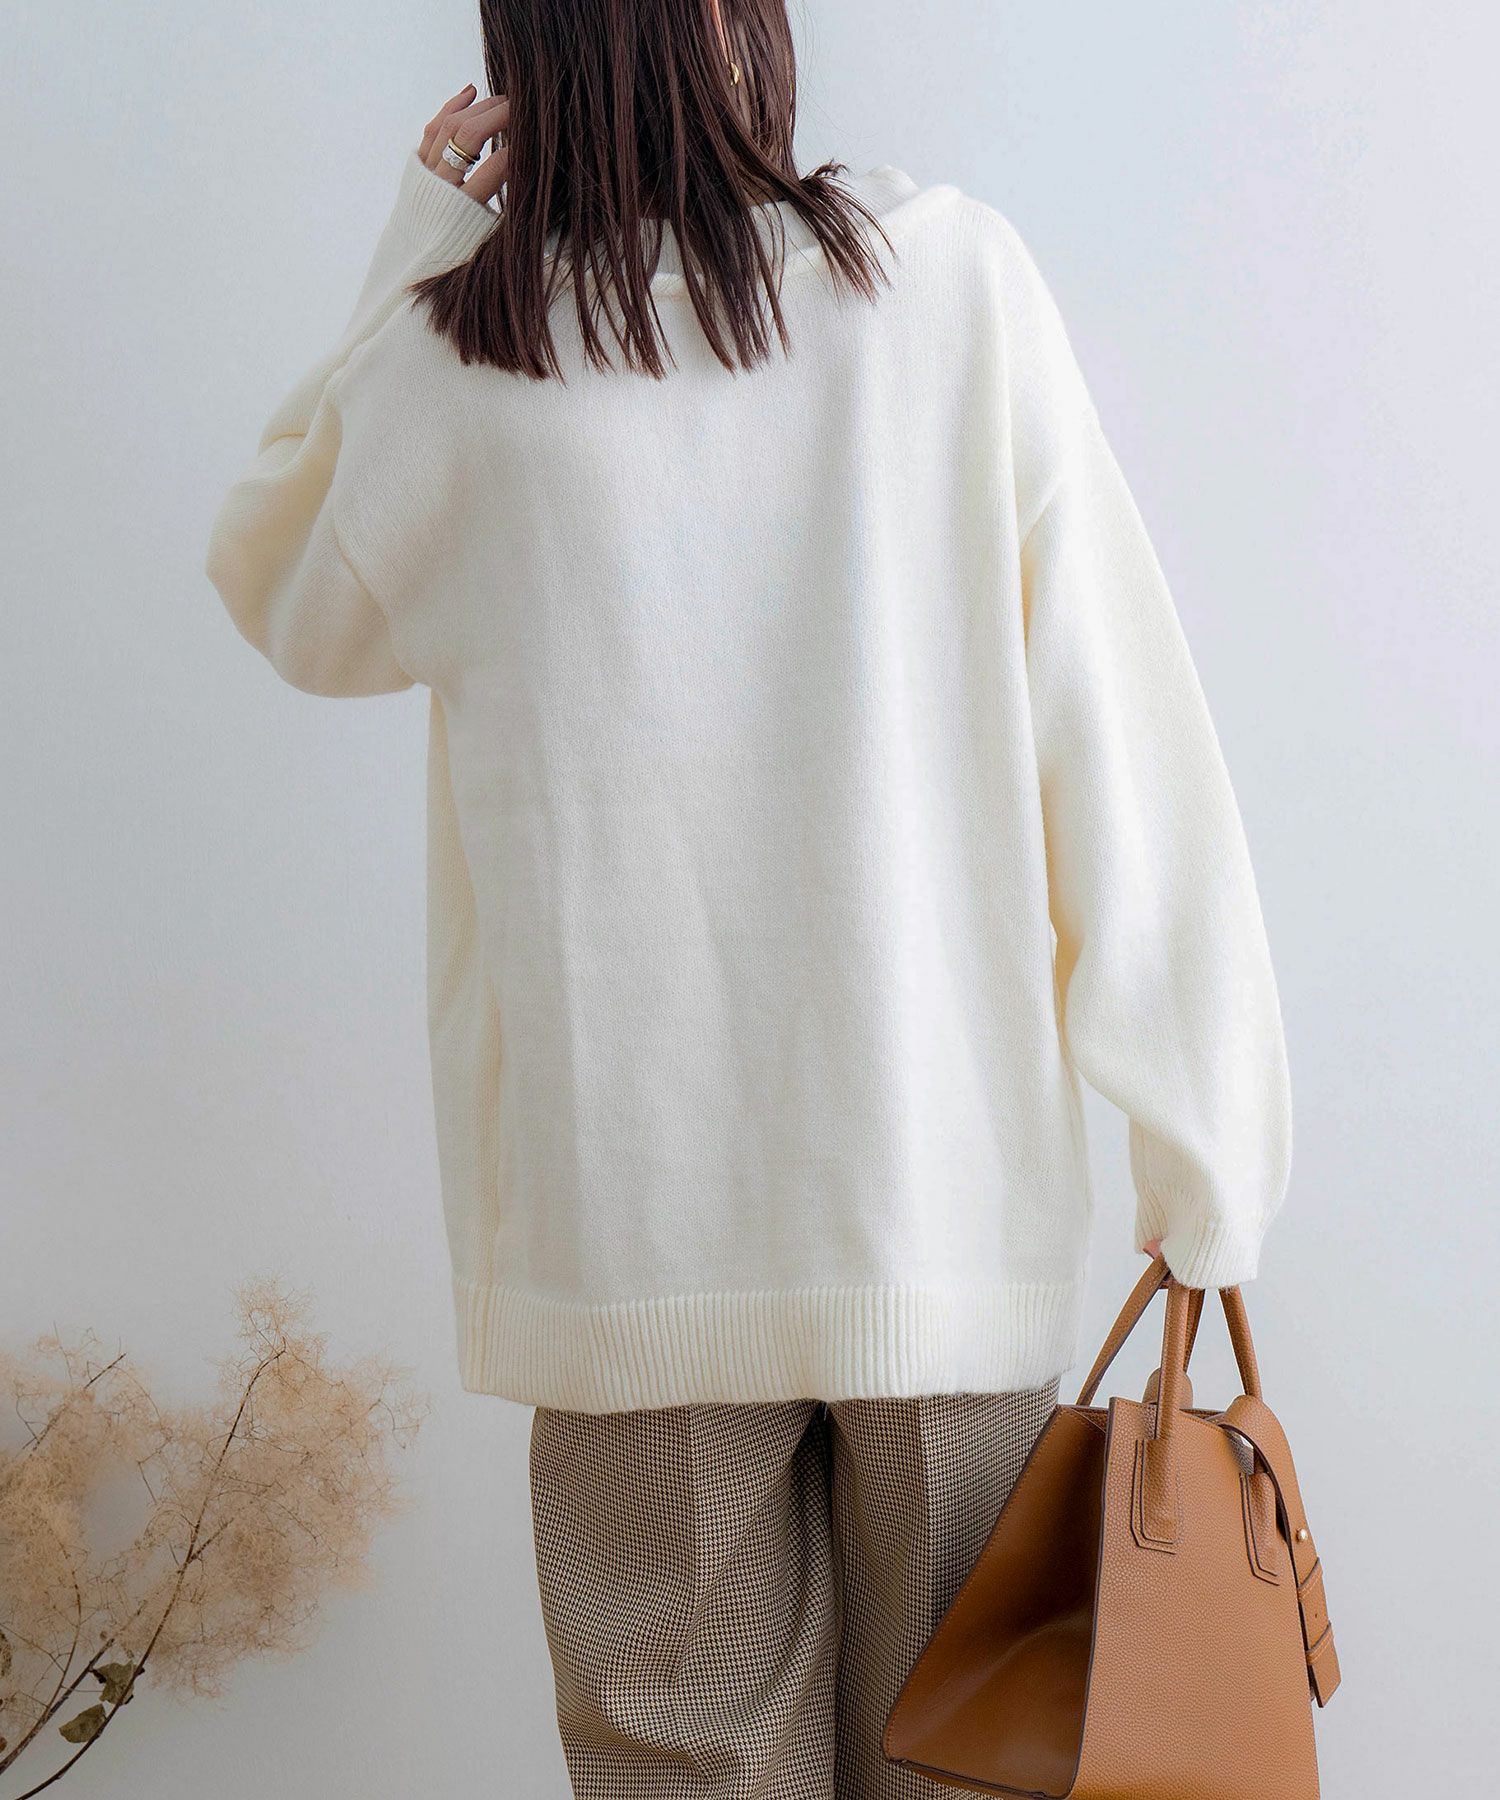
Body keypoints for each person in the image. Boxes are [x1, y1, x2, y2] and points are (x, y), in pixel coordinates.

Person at [203, 2, 1291, 1793]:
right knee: (975, 1767)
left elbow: (287, 590)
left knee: (680, 1764)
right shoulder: (942, 285)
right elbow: (1116, 730)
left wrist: (427, 238)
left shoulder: (466, 357)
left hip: (623, 1239)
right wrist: (1205, 1148)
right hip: (935, 1217)